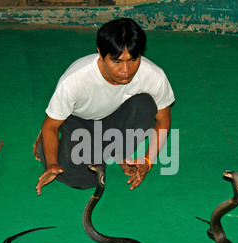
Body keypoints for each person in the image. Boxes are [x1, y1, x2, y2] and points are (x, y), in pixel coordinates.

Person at [33, 18, 175, 195]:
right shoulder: (74, 81)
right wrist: (52, 163)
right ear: (100, 54)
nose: (126, 70)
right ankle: (48, 142)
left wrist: (147, 160)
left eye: (133, 59)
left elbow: (163, 120)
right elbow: (50, 126)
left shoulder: (154, 76)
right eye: (117, 61)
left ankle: (116, 151)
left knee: (145, 104)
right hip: (80, 121)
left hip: (115, 115)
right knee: (84, 180)